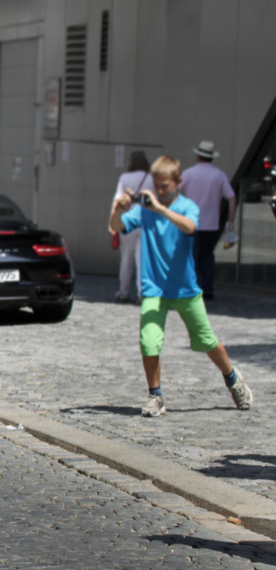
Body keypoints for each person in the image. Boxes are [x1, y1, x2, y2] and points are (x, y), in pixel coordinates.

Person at [108, 155, 252, 417]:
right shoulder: (144, 209)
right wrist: (120, 207)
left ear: (178, 182)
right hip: (154, 289)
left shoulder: (187, 206)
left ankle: (232, 378)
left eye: (165, 185)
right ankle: (156, 396)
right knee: (148, 341)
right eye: (157, 185)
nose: (160, 190)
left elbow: (190, 227)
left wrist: (160, 209)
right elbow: (116, 226)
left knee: (207, 340)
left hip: (185, 289)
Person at [178, 140, 236, 300]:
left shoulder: (189, 173)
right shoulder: (219, 175)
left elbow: (174, 192)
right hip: (211, 223)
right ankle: (208, 289)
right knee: (208, 256)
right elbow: (231, 197)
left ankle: (192, 289)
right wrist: (230, 221)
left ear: (198, 156)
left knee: (192, 256)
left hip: (192, 222)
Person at [110, 150, 151, 304]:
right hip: (146, 221)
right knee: (142, 260)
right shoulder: (151, 178)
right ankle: (142, 293)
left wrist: (112, 223)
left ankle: (124, 291)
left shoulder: (124, 178)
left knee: (126, 259)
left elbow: (117, 200)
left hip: (127, 221)